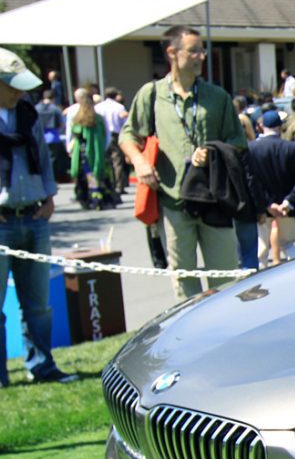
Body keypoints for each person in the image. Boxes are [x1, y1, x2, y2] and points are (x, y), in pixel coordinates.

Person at [119, 25, 248, 298]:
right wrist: (140, 162)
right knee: (184, 282)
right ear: (172, 53)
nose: (201, 56)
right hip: (173, 201)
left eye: (202, 50)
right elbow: (128, 137)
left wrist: (213, 152)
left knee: (226, 281)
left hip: (214, 200)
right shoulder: (152, 95)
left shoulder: (217, 97)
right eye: (194, 51)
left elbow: (238, 143)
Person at [0, 48, 76, 386]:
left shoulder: (29, 115)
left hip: (35, 217)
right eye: (12, 86)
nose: (19, 93)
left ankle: (42, 366)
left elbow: (44, 161)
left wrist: (49, 197)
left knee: (39, 304)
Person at [245, 110, 295, 266]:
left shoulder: (251, 149)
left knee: (261, 249)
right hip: (287, 206)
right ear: (280, 126)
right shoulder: (292, 148)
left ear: (261, 126)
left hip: (262, 206)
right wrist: (288, 201)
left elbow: (251, 180)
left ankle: (259, 283)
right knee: (289, 244)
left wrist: (267, 203)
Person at [67, 88, 117, 209]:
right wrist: (103, 150)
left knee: (84, 175)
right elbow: (107, 136)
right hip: (96, 151)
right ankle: (97, 197)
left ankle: (85, 197)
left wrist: (70, 150)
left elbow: (71, 135)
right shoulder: (98, 118)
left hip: (81, 153)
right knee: (94, 175)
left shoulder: (75, 117)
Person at [95, 87, 129, 194]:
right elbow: (125, 123)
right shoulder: (119, 107)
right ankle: (119, 186)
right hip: (115, 135)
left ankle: (107, 183)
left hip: (102, 135)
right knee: (117, 161)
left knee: (104, 160)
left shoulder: (98, 107)